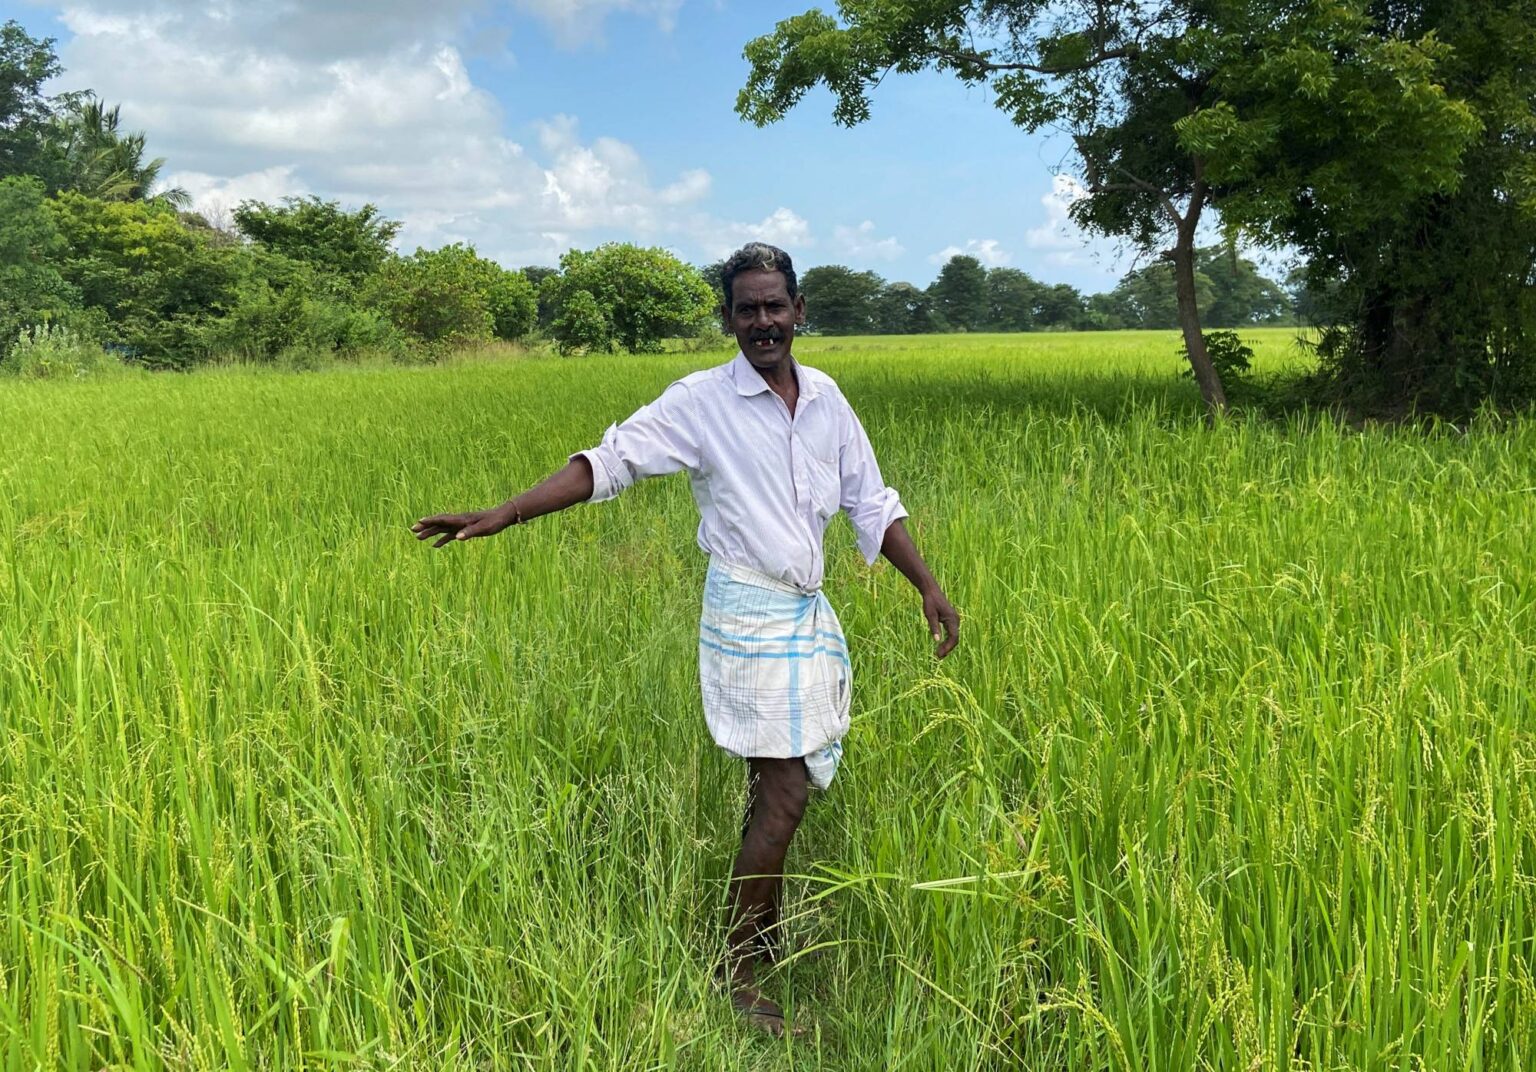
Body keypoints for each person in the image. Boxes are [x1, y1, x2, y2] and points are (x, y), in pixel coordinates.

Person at [411, 241, 959, 1036]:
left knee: (776, 786)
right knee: (785, 790)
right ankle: (738, 970)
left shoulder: (827, 399)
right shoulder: (702, 402)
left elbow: (870, 500)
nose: (763, 321)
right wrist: (504, 512)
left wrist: (928, 586)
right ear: (727, 319)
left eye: (775, 306)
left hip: (802, 613)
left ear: (799, 311)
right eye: (747, 309)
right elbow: (610, 463)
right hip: (746, 613)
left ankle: (759, 932)